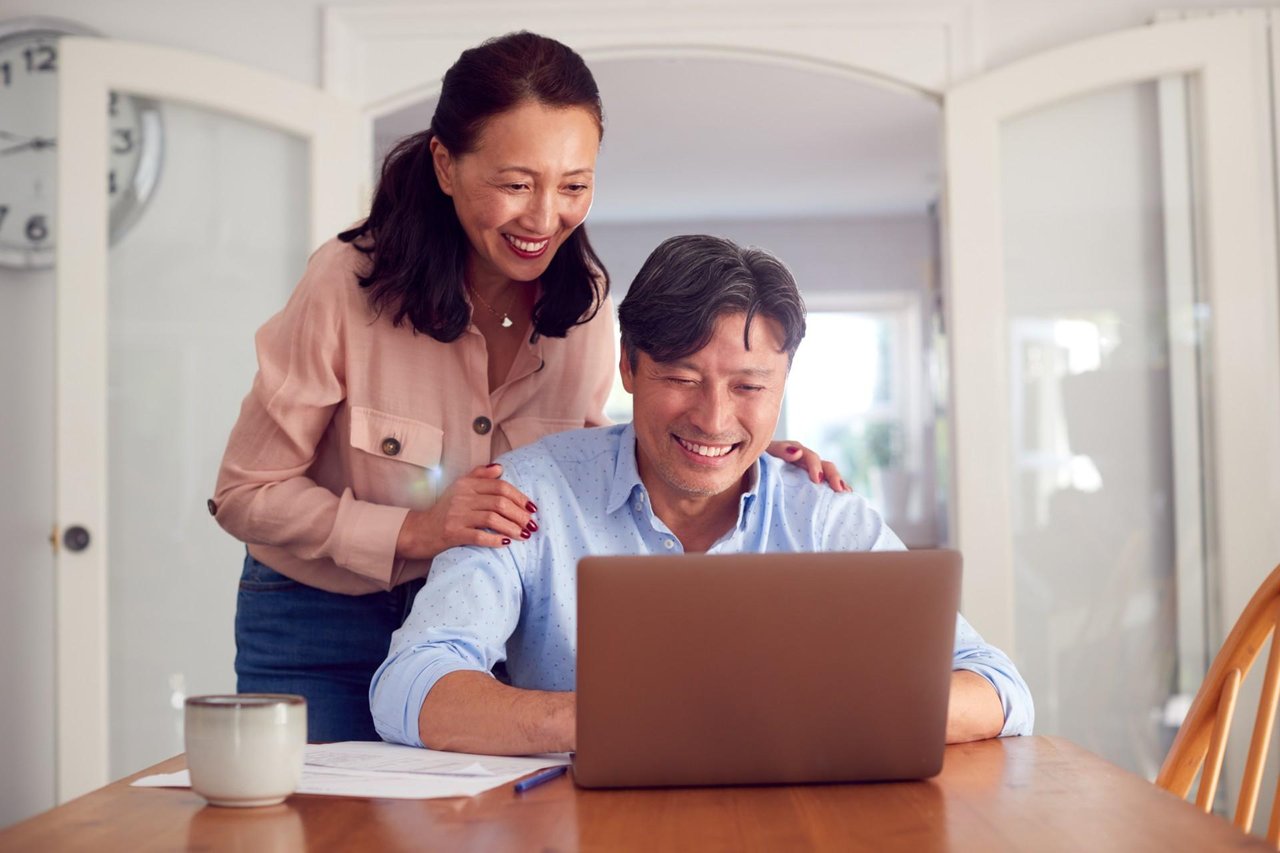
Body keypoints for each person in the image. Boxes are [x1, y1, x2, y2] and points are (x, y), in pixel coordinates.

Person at [211, 33, 842, 743]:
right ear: (446, 164)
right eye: (516, 184)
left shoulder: (584, 305)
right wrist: (417, 529)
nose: (546, 218)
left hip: (494, 618)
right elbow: (245, 492)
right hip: (320, 616)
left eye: (574, 185)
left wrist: (734, 456)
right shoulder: (345, 285)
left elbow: (586, 466)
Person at [370, 235, 1035, 755]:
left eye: (749, 387)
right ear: (628, 365)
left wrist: (811, 715)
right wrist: (612, 721)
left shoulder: (824, 515)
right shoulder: (528, 493)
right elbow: (409, 685)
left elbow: (1001, 690)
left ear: (784, 383)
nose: (714, 420)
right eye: (683, 378)